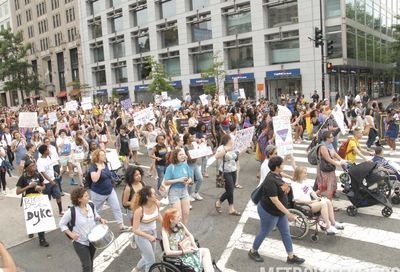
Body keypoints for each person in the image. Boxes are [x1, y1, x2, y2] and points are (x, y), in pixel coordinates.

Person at [248, 156, 304, 264]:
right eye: (282, 164)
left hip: (279, 212)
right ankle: (253, 251)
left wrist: (291, 178)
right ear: (277, 167)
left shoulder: (276, 174)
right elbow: (275, 201)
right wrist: (288, 214)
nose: (284, 166)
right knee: (264, 231)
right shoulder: (270, 181)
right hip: (269, 212)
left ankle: (291, 257)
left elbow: (281, 176)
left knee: (285, 232)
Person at [59, 187, 108, 272]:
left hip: (92, 240)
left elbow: (95, 215)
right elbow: (62, 224)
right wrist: (71, 234)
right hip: (80, 242)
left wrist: (101, 219)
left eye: (87, 195)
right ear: (79, 199)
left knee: (90, 262)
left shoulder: (91, 205)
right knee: (87, 265)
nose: (88, 197)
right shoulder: (72, 211)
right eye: (85, 196)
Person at [292, 166, 344, 235]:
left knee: (327, 201)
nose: (306, 174)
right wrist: (311, 202)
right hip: (304, 206)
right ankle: (328, 227)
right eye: (304, 173)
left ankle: (333, 223)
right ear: (299, 174)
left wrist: (317, 198)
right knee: (323, 204)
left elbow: (311, 192)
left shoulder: (305, 182)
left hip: (310, 203)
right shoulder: (295, 185)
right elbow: (297, 200)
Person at [161, 208, 215, 272]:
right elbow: (168, 252)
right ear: (171, 220)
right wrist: (185, 251)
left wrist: (194, 246)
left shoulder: (179, 224)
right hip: (178, 257)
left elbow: (189, 235)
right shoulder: (165, 231)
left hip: (186, 250)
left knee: (206, 251)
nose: (180, 218)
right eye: (178, 217)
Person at [89, 149, 130, 232]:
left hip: (110, 190)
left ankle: (121, 225)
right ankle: (93, 227)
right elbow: (94, 179)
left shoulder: (105, 163)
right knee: (96, 211)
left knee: (116, 207)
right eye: (102, 155)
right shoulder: (93, 167)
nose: (104, 156)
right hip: (98, 193)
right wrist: (99, 170)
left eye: (104, 155)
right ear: (97, 157)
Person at [16, 159, 49, 246]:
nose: (34, 167)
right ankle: (31, 229)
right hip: (29, 200)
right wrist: (28, 186)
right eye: (31, 166)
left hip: (38, 199)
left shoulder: (38, 175)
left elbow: (44, 185)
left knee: (40, 219)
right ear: (27, 168)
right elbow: (18, 191)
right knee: (32, 218)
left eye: (34, 165)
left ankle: (42, 239)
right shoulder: (23, 177)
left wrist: (40, 188)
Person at [131, 186, 162, 272]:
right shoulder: (139, 210)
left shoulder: (157, 203)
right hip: (142, 236)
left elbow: (158, 215)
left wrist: (166, 225)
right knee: (151, 261)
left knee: (148, 256)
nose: (156, 194)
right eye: (153, 193)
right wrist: (148, 236)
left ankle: (136, 269)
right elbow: (135, 230)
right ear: (147, 197)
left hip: (153, 233)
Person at [163, 148, 192, 225]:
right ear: (175, 156)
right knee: (177, 216)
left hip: (184, 191)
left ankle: (183, 232)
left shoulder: (185, 165)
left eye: (183, 154)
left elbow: (190, 177)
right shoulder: (170, 167)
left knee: (186, 213)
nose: (183, 156)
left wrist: (189, 181)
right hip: (174, 192)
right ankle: (172, 232)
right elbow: (166, 182)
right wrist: (179, 180)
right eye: (180, 154)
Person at [316, 131, 346, 202]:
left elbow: (335, 154)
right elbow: (328, 159)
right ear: (326, 138)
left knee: (326, 186)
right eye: (331, 137)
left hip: (330, 168)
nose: (333, 138)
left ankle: (313, 194)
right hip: (325, 169)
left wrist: (342, 160)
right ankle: (330, 204)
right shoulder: (323, 147)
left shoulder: (330, 144)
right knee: (329, 186)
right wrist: (338, 163)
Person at [214, 135, 241, 216]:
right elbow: (216, 156)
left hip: (233, 170)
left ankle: (231, 209)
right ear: (228, 140)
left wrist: (246, 146)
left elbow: (238, 155)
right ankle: (218, 202)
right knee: (230, 190)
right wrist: (226, 150)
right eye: (231, 139)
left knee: (231, 190)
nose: (233, 141)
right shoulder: (221, 148)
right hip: (224, 171)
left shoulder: (233, 147)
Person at [37, 144, 64, 217]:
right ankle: (46, 214)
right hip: (46, 183)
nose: (49, 150)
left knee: (58, 195)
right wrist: (50, 181)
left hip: (53, 180)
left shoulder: (48, 157)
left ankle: (61, 211)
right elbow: (43, 173)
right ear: (44, 151)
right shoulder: (40, 161)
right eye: (47, 150)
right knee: (46, 199)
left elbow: (50, 167)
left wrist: (54, 173)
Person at [122, 166, 145, 249]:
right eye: (136, 175)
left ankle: (136, 239)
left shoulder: (141, 183)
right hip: (132, 212)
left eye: (139, 174)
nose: (139, 176)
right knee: (136, 228)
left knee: (142, 227)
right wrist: (135, 202)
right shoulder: (128, 188)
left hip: (142, 209)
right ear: (131, 176)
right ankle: (134, 239)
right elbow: (124, 203)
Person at [183, 133, 204, 201]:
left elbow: (197, 152)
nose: (192, 137)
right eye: (191, 137)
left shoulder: (194, 144)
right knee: (190, 181)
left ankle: (196, 193)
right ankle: (189, 194)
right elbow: (188, 158)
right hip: (189, 165)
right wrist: (195, 156)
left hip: (195, 164)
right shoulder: (185, 147)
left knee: (200, 178)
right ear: (187, 139)